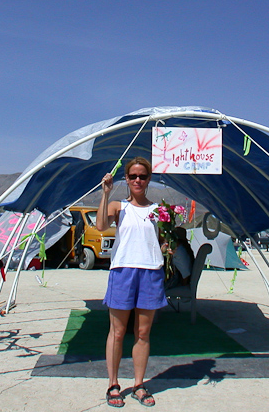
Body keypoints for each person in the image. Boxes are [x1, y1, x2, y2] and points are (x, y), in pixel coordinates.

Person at [97, 156, 166, 408]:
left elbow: (157, 239)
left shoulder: (157, 210)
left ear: (149, 180)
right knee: (117, 332)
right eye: (133, 176)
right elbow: (102, 225)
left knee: (143, 332)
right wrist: (105, 194)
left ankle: (138, 383)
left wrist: (164, 246)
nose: (138, 180)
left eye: (143, 176)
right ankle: (113, 384)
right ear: (126, 179)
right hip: (123, 271)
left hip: (150, 271)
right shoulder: (119, 206)